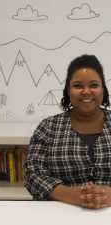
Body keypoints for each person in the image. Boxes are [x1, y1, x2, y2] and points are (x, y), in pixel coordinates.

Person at [24, 54, 111, 209]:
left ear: (102, 88)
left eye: (94, 85)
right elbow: (32, 174)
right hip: (59, 213)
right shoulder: (48, 127)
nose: (86, 91)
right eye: (78, 86)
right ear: (68, 90)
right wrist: (71, 195)